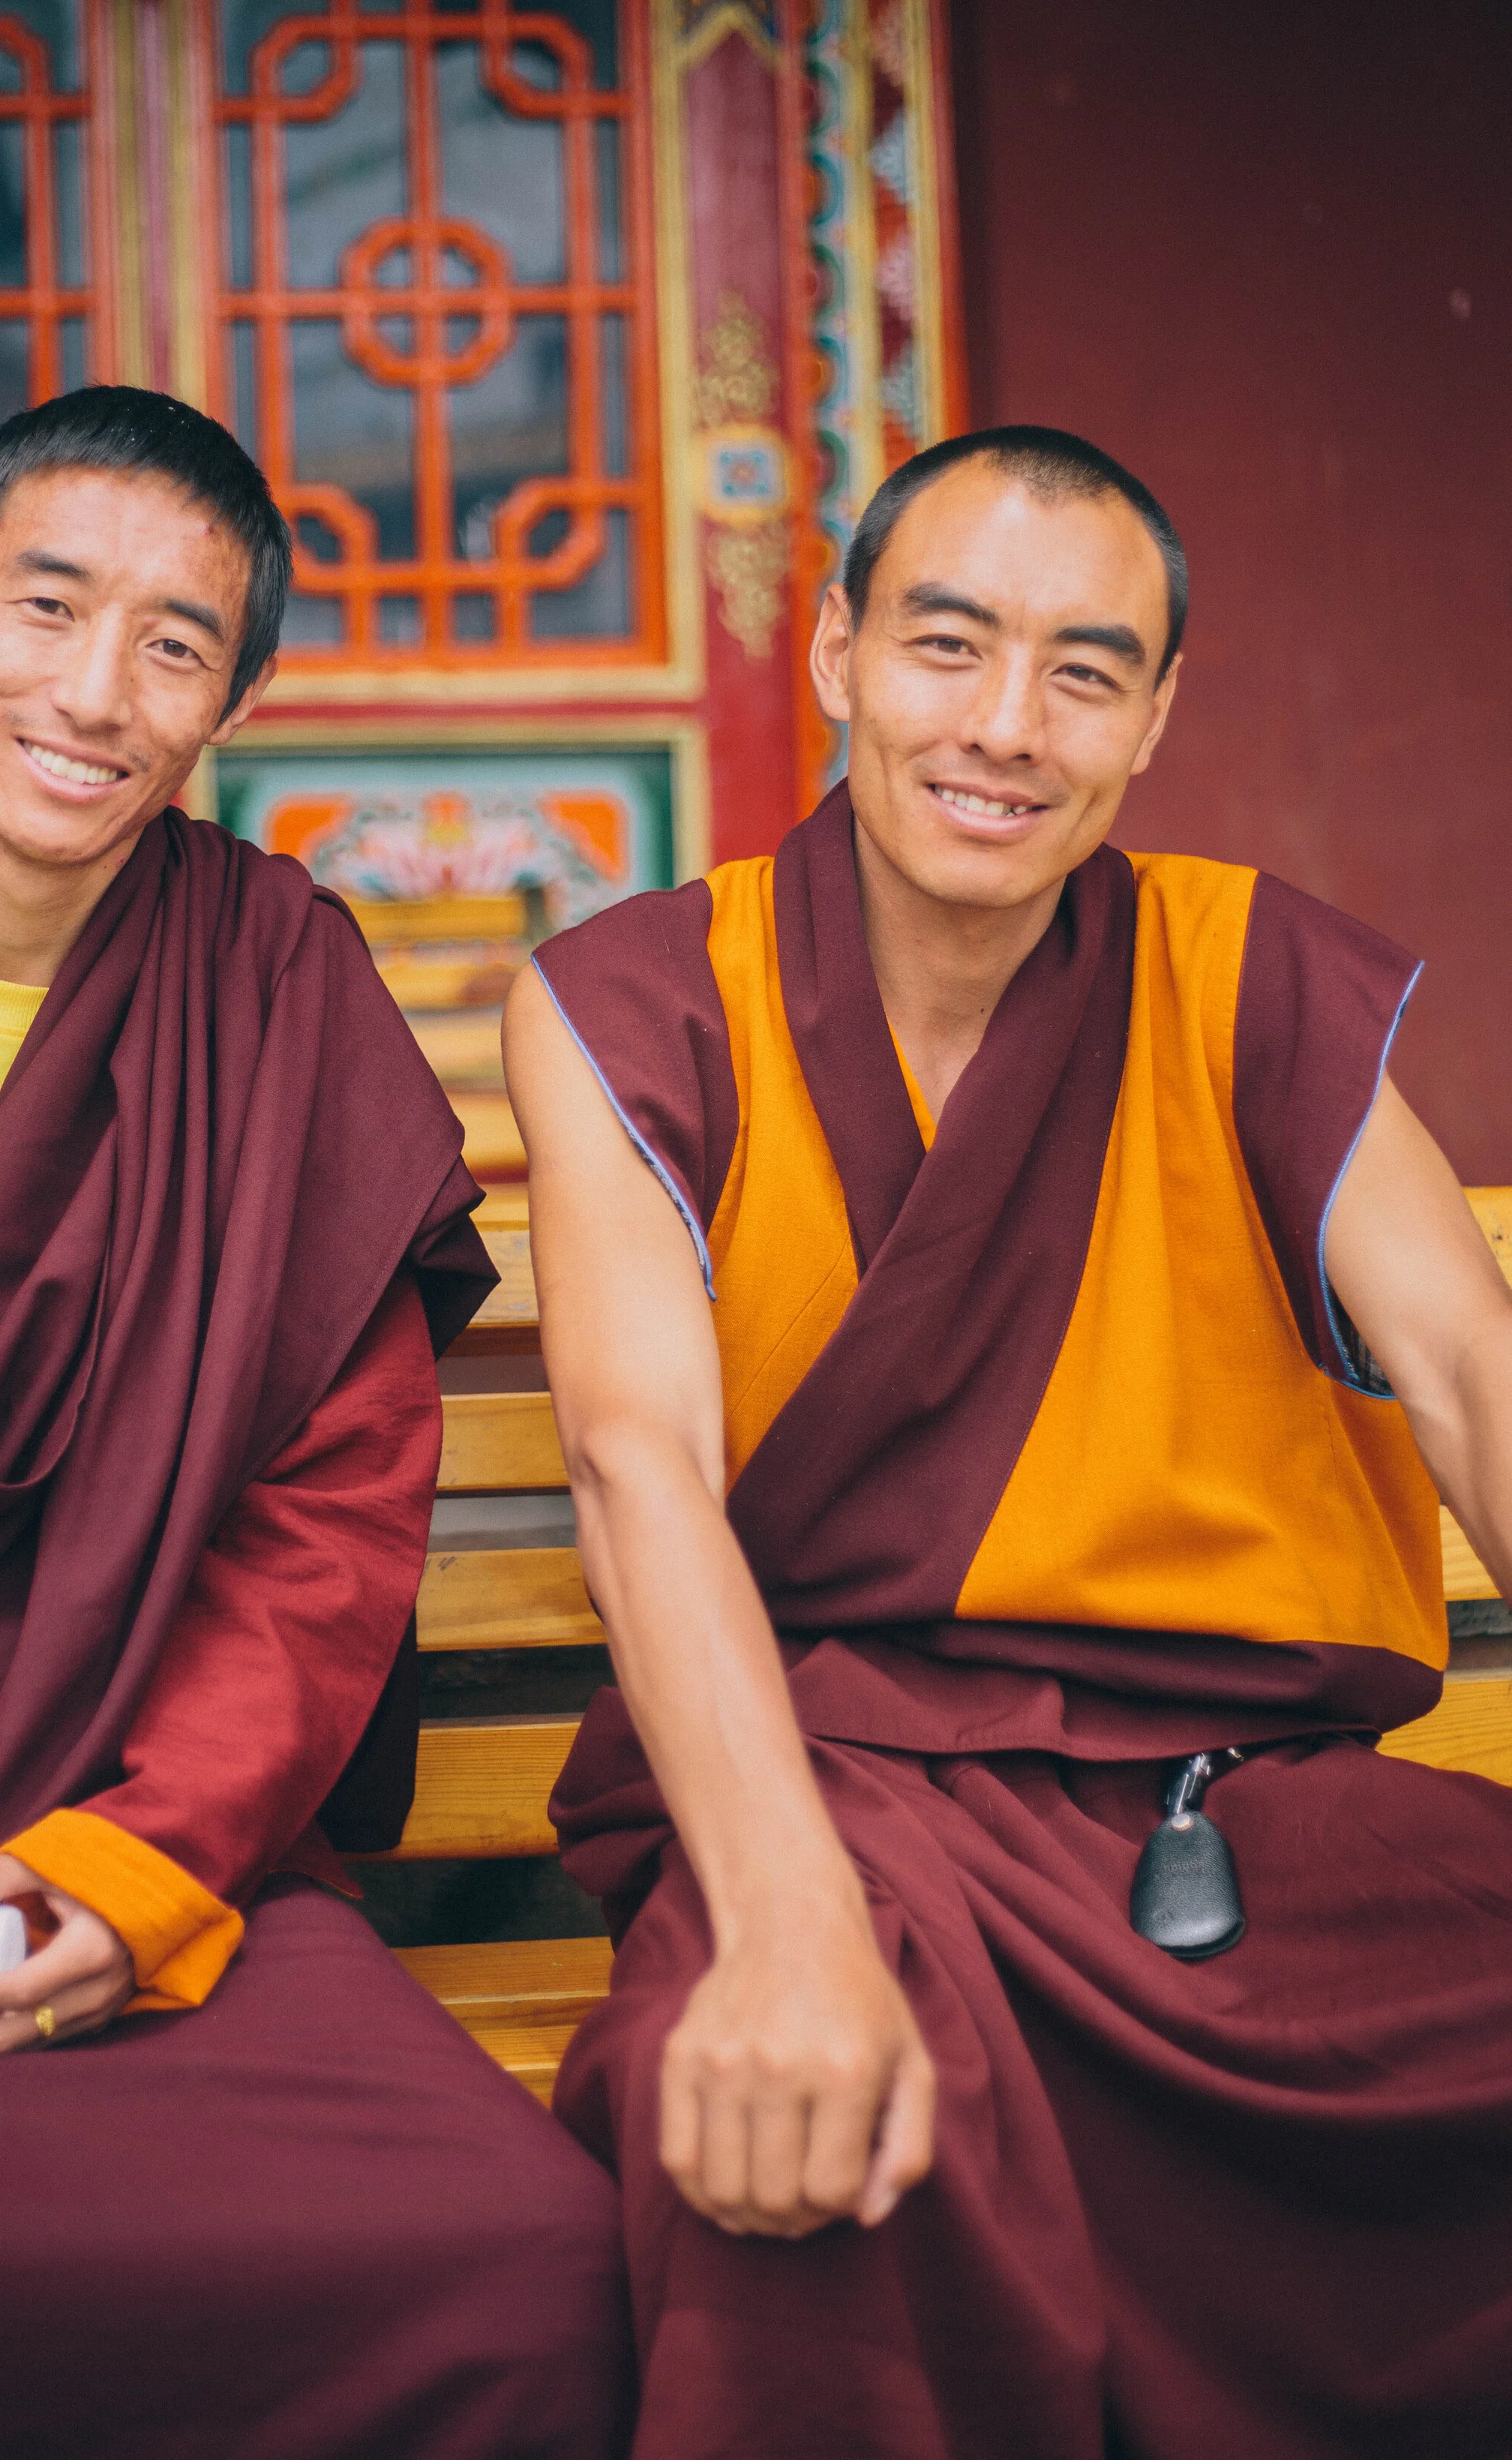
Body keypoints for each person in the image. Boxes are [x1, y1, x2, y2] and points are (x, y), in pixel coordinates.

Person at [0, 386, 631, 2460]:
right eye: (48, 605)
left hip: (148, 1857)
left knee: (517, 2258)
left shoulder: (282, 1006)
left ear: (230, 703)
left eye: (174, 644)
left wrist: (133, 1868)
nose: (92, 692)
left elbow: (324, 1532)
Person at [503, 426, 1512, 2460]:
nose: (1001, 726)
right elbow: (631, 1459)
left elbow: (1475, 1371)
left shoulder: (1241, 979)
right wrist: (780, 1921)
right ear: (833, 651)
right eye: (946, 644)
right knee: (797, 2114)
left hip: (1236, 1816)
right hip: (834, 1793)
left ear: (1150, 718)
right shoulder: (638, 997)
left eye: (1079, 669)